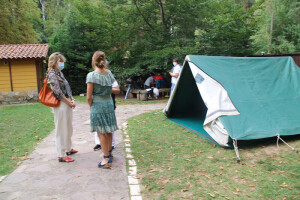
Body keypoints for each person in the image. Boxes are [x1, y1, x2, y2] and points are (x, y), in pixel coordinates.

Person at [86, 51, 118, 168]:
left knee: (100, 131)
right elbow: (113, 88)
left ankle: (106, 159)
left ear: (93, 61)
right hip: (109, 103)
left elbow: (89, 96)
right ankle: (109, 152)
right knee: (108, 129)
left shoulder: (91, 76)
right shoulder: (109, 73)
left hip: (98, 105)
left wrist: (91, 106)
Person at [47, 52, 77, 162]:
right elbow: (57, 93)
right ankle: (61, 154)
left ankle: (68, 148)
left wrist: (71, 98)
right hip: (60, 104)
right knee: (61, 129)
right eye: (60, 61)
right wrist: (68, 102)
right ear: (54, 62)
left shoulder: (60, 73)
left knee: (68, 127)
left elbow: (67, 88)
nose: (62, 63)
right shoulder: (51, 74)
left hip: (67, 102)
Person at [93, 78, 120, 151]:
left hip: (110, 106)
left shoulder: (111, 79)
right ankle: (99, 143)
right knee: (98, 126)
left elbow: (117, 90)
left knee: (110, 125)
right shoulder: (94, 78)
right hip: (97, 105)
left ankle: (111, 144)